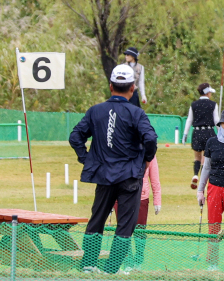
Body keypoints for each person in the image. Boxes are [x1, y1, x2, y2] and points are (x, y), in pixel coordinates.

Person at [69, 64, 158, 274]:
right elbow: (151, 139)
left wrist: (87, 159)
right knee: (125, 225)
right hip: (129, 176)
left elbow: (75, 137)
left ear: (110, 86)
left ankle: (89, 266)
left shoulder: (95, 111)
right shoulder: (136, 113)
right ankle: (111, 270)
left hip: (103, 175)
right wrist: (145, 160)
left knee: (96, 220)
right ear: (132, 88)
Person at [196, 109, 224, 271]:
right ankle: (212, 263)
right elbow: (206, 168)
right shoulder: (211, 142)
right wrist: (200, 191)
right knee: (213, 226)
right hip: (214, 188)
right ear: (220, 124)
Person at [113, 156, 162, 272]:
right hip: (119, 196)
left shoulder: (149, 151)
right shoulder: (120, 147)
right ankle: (127, 262)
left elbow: (154, 179)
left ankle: (138, 261)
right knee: (123, 231)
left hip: (141, 197)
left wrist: (157, 200)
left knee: (140, 231)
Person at [183, 83, 219, 189]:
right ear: (207, 92)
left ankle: (195, 175)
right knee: (206, 158)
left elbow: (189, 120)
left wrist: (185, 134)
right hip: (209, 132)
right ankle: (204, 178)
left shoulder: (194, 104)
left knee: (197, 157)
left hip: (197, 133)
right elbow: (216, 120)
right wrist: (220, 132)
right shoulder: (213, 104)